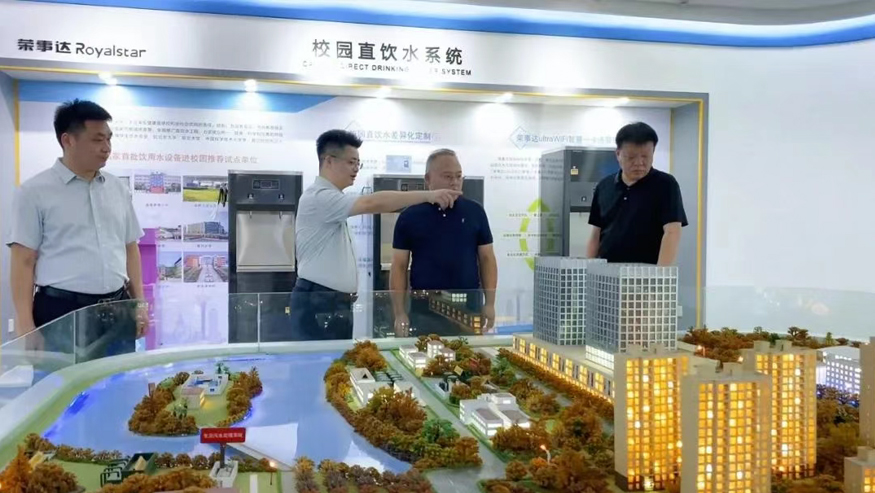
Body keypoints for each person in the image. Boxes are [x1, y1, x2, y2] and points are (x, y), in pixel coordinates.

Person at [288, 130, 462, 341]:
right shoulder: (319, 197)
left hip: (331, 302)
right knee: (320, 359)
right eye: (351, 162)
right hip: (318, 301)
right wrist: (429, 195)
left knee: (335, 358)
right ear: (329, 161)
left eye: (358, 163)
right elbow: (371, 203)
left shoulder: (331, 199)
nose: (355, 169)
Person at [6, 99, 147, 359]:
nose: (106, 148)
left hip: (117, 309)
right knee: (62, 382)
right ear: (68, 140)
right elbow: (23, 261)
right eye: (97, 140)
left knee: (119, 380)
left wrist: (139, 304)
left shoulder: (117, 189)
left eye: (109, 139)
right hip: (61, 313)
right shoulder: (34, 192)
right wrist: (26, 326)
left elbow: (130, 248)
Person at [389, 149, 498, 337]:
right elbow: (399, 266)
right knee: (425, 353)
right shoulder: (410, 216)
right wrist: (399, 313)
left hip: (468, 307)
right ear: (428, 179)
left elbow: (487, 259)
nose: (454, 182)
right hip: (425, 309)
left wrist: (490, 303)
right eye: (447, 176)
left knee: (468, 354)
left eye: (458, 176)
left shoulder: (475, 212)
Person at [586, 122, 687, 265]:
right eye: (631, 157)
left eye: (645, 156)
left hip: (646, 272)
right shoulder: (604, 186)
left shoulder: (665, 184)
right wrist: (588, 270)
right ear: (618, 154)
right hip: (607, 272)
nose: (639, 163)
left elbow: (672, 232)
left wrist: (660, 275)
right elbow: (596, 234)